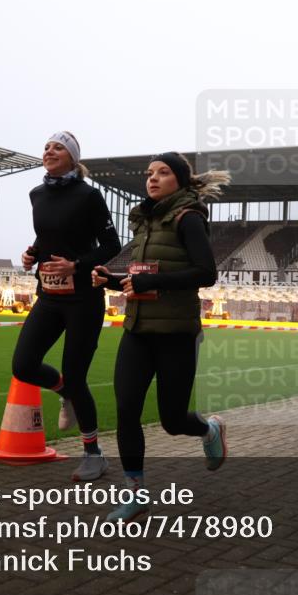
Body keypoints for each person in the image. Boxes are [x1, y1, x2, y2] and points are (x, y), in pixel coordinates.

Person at [92, 152, 229, 522]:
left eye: (163, 173)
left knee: (172, 420)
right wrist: (110, 279)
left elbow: (206, 272)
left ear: (180, 181)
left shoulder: (189, 218)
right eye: (149, 173)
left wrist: (148, 281)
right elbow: (142, 278)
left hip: (176, 334)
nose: (152, 179)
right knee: (126, 410)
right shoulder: (144, 223)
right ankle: (135, 493)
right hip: (137, 330)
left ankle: (209, 428)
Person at [13, 131, 121, 482]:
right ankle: (65, 394)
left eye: (57, 147)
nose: (49, 150)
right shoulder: (37, 194)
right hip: (48, 296)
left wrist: (77, 265)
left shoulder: (89, 196)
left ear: (73, 158)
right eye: (46, 146)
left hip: (83, 299)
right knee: (23, 365)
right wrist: (33, 253)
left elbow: (111, 244)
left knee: (77, 376)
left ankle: (93, 453)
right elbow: (47, 236)